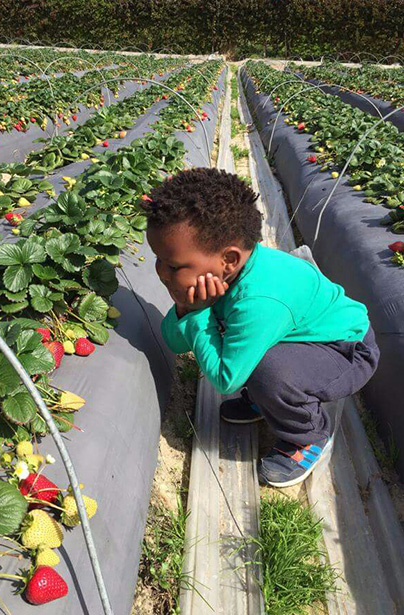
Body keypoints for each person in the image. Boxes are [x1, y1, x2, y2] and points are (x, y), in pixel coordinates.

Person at [143, 167, 380, 488]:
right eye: (158, 258)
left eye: (172, 265)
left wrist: (199, 314)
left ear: (228, 259)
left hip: (346, 348)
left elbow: (226, 379)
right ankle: (265, 399)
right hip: (301, 338)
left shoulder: (259, 300)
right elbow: (174, 342)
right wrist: (188, 309)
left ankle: (308, 435)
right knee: (243, 348)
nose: (161, 272)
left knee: (268, 371)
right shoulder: (222, 275)